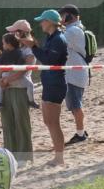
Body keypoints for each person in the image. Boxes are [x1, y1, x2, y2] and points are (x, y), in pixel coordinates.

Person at [20, 10, 68, 166]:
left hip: (55, 83)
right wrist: (34, 45)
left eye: (42, 21)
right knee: (48, 121)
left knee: (53, 122)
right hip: (50, 82)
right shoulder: (51, 37)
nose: (40, 23)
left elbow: (48, 60)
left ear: (49, 22)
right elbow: (47, 57)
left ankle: (60, 158)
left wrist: (33, 46)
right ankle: (58, 156)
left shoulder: (58, 39)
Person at [0, 33, 33, 164]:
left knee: (21, 123)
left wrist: (6, 80)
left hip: (19, 89)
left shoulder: (26, 50)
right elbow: (0, 66)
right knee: (7, 123)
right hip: (7, 89)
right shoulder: (8, 52)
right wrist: (0, 80)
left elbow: (24, 70)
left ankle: (23, 157)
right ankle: (10, 155)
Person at [57, 5, 89, 145]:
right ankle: (82, 131)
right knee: (74, 105)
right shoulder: (72, 29)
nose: (61, 18)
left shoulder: (73, 30)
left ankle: (80, 134)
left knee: (75, 105)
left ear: (71, 16)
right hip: (73, 73)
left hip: (74, 74)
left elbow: (58, 42)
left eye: (63, 15)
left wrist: (55, 26)